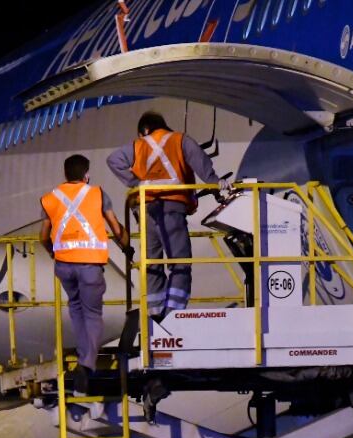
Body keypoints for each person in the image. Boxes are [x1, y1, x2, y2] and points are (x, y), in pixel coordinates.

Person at [108, 111, 232, 320]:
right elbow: (200, 161)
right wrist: (215, 182)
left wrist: (136, 183)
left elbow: (114, 160)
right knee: (180, 262)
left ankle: (155, 314)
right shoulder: (180, 140)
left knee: (152, 263)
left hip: (147, 211)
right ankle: (173, 313)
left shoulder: (138, 145)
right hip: (171, 208)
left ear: (144, 130)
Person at [39, 154, 131, 394]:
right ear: (86, 174)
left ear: (66, 174)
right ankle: (86, 364)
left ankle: (83, 355)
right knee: (92, 314)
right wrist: (127, 248)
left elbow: (43, 236)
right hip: (90, 264)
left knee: (76, 309)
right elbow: (115, 227)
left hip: (64, 265)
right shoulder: (97, 194)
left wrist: (52, 252)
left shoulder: (50, 198)